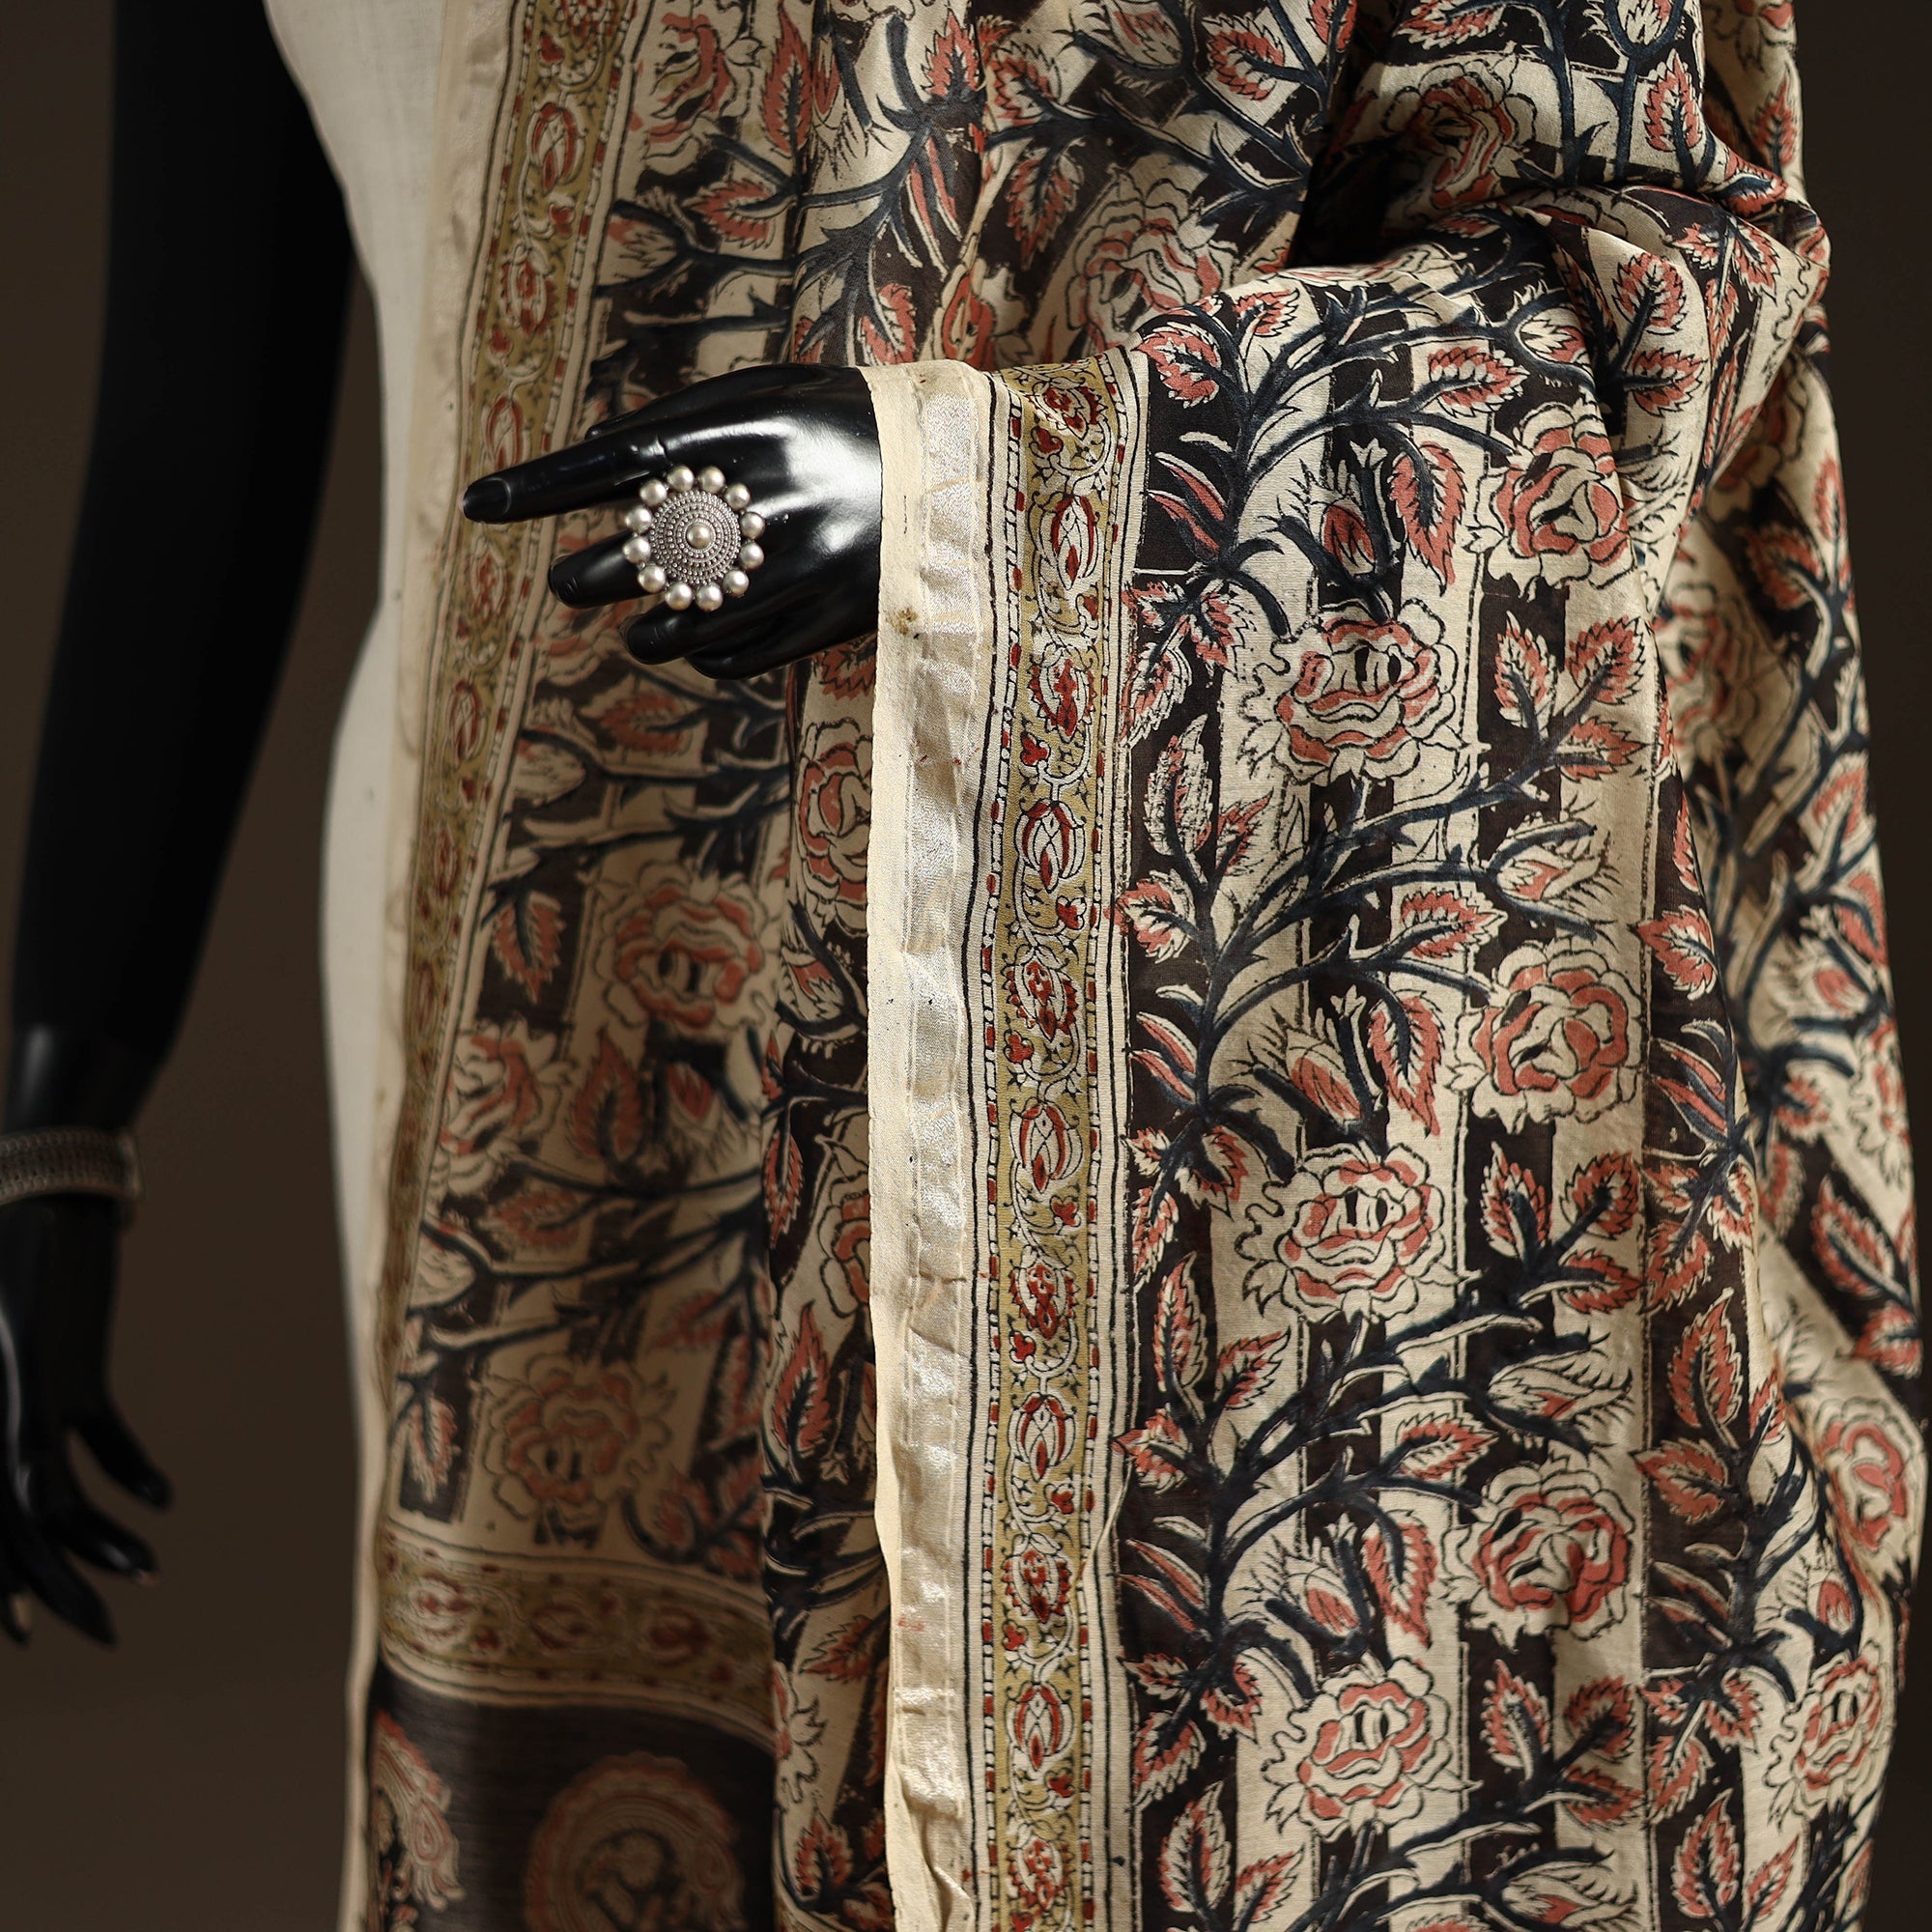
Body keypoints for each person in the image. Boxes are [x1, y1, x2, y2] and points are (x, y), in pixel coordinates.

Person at [4, 2, 1919, 1929]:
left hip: (1137, 1011)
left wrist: (971, 503)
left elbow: (1647, 284)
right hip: (498, 962)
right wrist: (56, 1120)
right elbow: (189, 427)